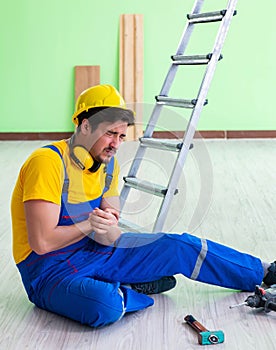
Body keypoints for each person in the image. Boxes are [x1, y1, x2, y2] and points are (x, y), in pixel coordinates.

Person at [11, 84, 276, 328]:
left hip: (96, 251)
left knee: (178, 246)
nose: (116, 144)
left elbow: (112, 237)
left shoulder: (107, 164)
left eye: (122, 136)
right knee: (104, 305)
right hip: (48, 271)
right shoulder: (47, 162)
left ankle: (263, 272)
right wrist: (89, 225)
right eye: (109, 134)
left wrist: (107, 227)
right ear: (84, 126)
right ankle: (128, 286)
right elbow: (42, 243)